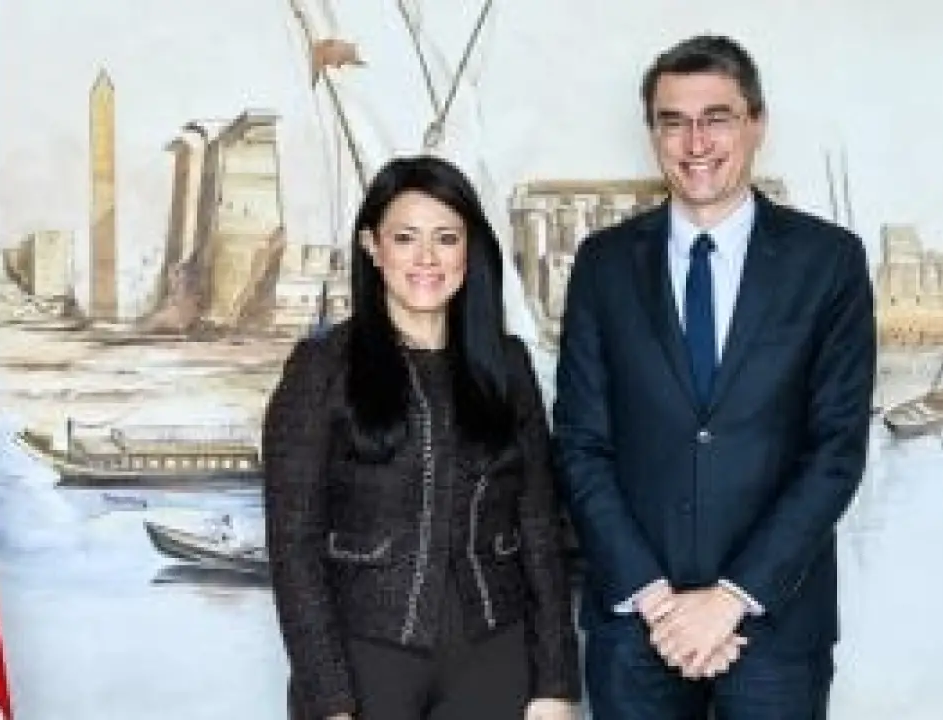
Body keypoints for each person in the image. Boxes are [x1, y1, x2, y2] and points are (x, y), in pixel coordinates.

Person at [552, 35, 875, 719]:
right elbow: (581, 444)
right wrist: (658, 603)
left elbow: (835, 451)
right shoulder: (603, 265)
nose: (695, 143)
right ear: (653, 134)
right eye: (673, 122)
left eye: (716, 118)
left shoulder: (828, 263)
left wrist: (729, 600)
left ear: (757, 123)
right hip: (636, 624)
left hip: (775, 623)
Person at [263, 155, 580, 720]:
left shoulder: (506, 365)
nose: (427, 258)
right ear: (372, 246)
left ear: (470, 250)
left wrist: (555, 683)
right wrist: (329, 700)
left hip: (495, 652)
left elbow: (538, 527)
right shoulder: (323, 366)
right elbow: (294, 546)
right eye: (405, 238)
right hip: (366, 655)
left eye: (446, 238)